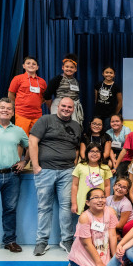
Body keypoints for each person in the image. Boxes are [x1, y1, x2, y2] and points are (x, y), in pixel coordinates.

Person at [29, 97, 82, 256]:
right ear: (58, 106)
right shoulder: (45, 120)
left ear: (73, 109)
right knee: (44, 207)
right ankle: (42, 241)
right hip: (45, 170)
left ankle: (66, 240)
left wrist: (74, 164)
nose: (66, 109)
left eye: (70, 107)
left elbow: (77, 147)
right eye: (64, 106)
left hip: (67, 171)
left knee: (66, 207)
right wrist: (36, 166)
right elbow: (32, 142)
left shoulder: (76, 126)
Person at [66, 188, 124, 266]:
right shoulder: (84, 217)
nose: (100, 200)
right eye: (96, 197)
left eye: (102, 197)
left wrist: (115, 257)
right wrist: (99, 263)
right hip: (85, 253)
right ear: (88, 202)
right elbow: (87, 244)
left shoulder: (110, 212)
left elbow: (113, 235)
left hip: (101, 251)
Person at [0, 98, 29, 253]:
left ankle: (10, 241)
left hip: (12, 175)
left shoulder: (18, 131)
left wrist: (24, 161)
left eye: (8, 108)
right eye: (2, 107)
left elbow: (30, 146)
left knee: (10, 209)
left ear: (13, 112)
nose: (5, 110)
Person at [7, 56, 47, 135]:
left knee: (35, 139)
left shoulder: (42, 81)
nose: (31, 65)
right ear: (23, 66)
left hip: (37, 115)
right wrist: (19, 104)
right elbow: (11, 94)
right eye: (28, 63)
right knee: (21, 139)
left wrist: (36, 103)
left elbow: (45, 97)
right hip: (22, 114)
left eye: (34, 64)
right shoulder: (18, 78)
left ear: (37, 67)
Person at [71, 143, 112, 215]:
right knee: (82, 222)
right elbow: (75, 185)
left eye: (97, 151)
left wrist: (106, 201)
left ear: (101, 154)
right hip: (82, 201)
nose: (94, 154)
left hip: (99, 202)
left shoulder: (105, 168)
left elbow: (107, 186)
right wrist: (74, 203)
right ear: (87, 153)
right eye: (91, 151)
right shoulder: (80, 166)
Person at [44, 53, 84, 126]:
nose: (69, 69)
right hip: (60, 106)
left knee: (73, 128)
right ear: (63, 67)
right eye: (67, 66)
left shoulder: (77, 81)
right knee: (58, 127)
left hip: (73, 108)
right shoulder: (57, 80)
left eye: (72, 67)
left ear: (75, 69)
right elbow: (47, 95)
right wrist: (52, 107)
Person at [94, 66, 122, 130]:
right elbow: (96, 99)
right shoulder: (98, 85)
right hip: (98, 113)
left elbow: (120, 102)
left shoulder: (116, 87)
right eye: (106, 72)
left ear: (114, 74)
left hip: (109, 115)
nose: (109, 74)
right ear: (103, 74)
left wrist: (114, 114)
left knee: (107, 131)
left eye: (111, 73)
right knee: (97, 129)